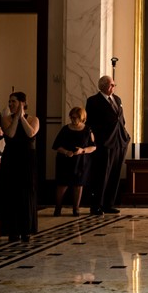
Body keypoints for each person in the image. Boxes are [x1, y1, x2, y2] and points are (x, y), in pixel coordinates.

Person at [0, 92, 39, 242]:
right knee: (11, 193)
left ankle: (26, 229)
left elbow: (30, 133)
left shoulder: (34, 119)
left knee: (27, 193)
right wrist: (16, 118)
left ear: (22, 103)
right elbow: (10, 134)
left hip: (27, 159)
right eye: (9, 102)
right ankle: (12, 230)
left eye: (13, 102)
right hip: (11, 158)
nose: (10, 104)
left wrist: (22, 117)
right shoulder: (5, 119)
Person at [86, 75, 131, 215]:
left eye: (114, 84)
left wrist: (125, 135)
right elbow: (90, 122)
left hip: (120, 141)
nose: (114, 86)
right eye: (112, 84)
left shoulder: (117, 99)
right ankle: (96, 205)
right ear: (104, 85)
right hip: (104, 142)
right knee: (102, 174)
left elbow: (121, 120)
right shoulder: (93, 101)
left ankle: (109, 204)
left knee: (115, 174)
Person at [52, 107, 97, 216]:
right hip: (65, 160)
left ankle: (76, 208)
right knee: (62, 184)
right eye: (71, 117)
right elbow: (56, 146)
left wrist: (82, 150)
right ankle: (58, 207)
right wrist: (66, 152)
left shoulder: (88, 130)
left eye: (75, 117)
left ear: (81, 118)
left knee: (78, 184)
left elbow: (93, 147)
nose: (72, 119)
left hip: (81, 161)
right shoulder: (65, 129)